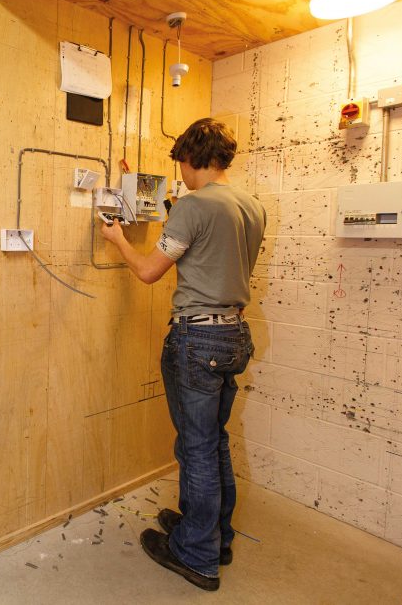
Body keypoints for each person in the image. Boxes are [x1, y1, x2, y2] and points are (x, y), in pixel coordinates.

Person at [100, 118, 266, 592]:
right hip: (234, 334)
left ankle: (195, 555)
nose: (183, 176)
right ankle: (216, 537)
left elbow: (151, 271)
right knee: (213, 442)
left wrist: (119, 242)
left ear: (192, 159)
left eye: (182, 166)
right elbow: (218, 257)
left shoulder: (194, 206)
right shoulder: (252, 206)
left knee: (195, 449)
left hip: (196, 338)